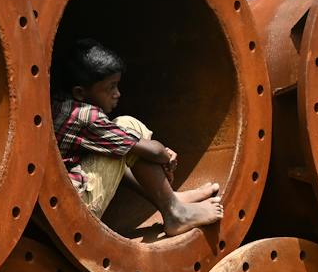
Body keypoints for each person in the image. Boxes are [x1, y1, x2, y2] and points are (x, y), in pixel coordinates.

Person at [52, 37, 222, 236]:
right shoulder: (87, 117)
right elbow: (154, 152)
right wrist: (164, 155)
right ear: (80, 92)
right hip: (77, 211)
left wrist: (154, 152)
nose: (117, 94)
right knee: (128, 125)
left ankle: (169, 198)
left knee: (119, 147)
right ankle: (175, 212)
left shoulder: (60, 103)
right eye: (110, 87)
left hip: (60, 208)